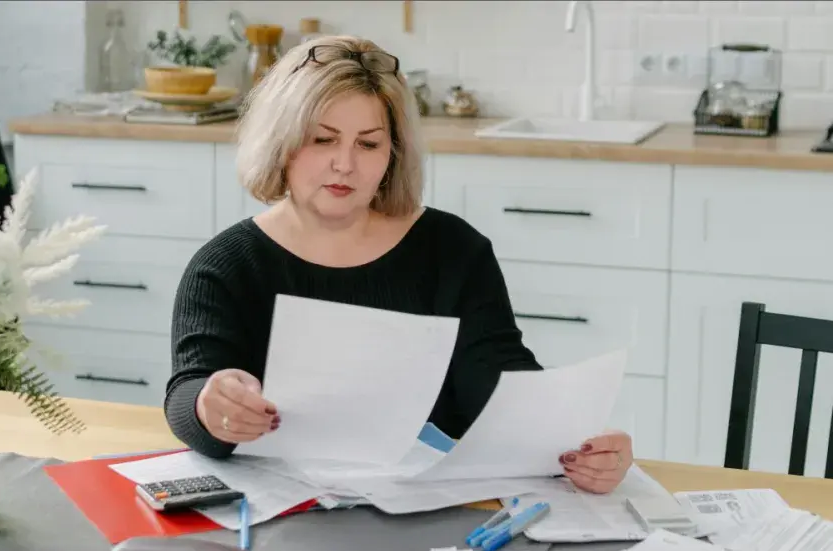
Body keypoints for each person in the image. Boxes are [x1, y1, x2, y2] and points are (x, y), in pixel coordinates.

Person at [164, 35, 634, 495]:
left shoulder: (453, 250)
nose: (344, 164)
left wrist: (582, 446)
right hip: (279, 514)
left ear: (393, 155)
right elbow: (188, 395)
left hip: (424, 507)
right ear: (281, 143)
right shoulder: (224, 266)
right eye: (323, 140)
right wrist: (211, 407)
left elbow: (499, 385)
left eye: (368, 144)